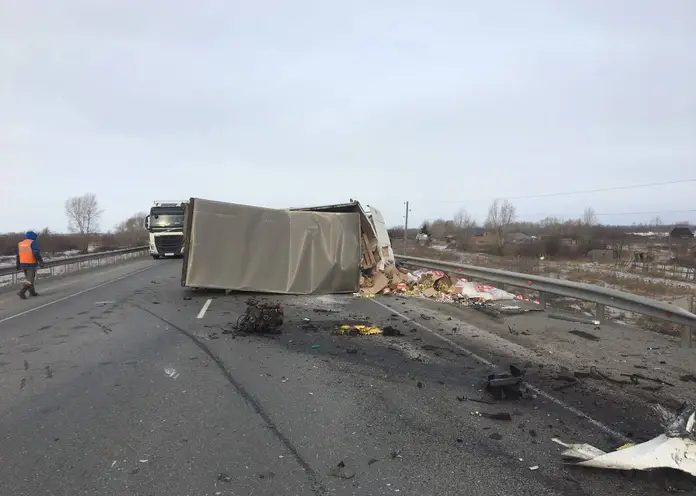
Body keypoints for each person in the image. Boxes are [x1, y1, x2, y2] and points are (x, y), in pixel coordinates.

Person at [16, 231, 44, 299]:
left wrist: (18, 264)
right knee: (30, 280)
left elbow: (18, 255)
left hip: (23, 264)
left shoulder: (20, 243)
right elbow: (36, 253)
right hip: (31, 264)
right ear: (33, 236)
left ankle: (32, 293)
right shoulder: (33, 242)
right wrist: (41, 261)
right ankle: (21, 292)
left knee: (29, 279)